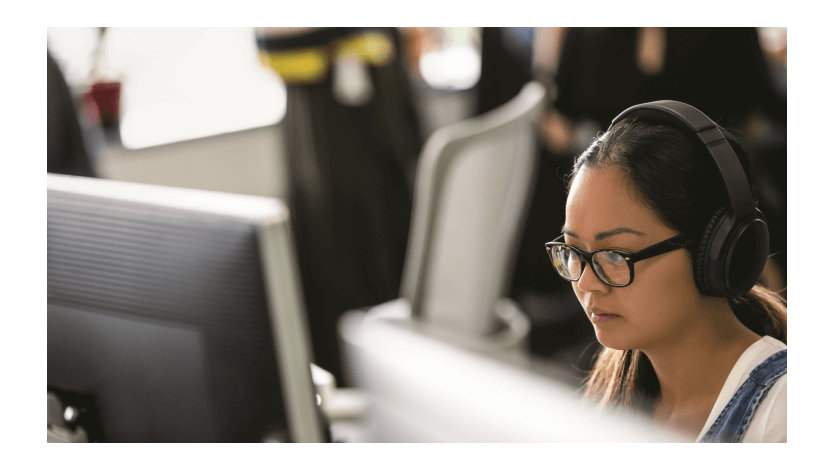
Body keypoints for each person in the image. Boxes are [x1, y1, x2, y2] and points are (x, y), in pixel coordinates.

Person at [544, 100, 787, 442]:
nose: (585, 282)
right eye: (573, 251)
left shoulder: (785, 418)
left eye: (615, 255)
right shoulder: (616, 386)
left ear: (713, 251)